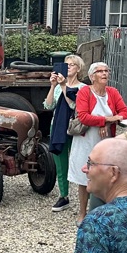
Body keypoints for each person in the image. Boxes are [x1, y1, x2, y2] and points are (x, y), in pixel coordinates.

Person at [66, 62, 127, 224]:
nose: (104, 74)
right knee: (84, 176)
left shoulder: (113, 92)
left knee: (106, 175)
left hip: (106, 140)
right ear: (92, 76)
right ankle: (82, 213)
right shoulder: (84, 92)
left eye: (106, 71)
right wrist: (106, 119)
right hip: (86, 139)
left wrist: (106, 124)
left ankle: (103, 212)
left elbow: (125, 113)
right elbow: (84, 116)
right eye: (100, 71)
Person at [43, 54, 86, 212]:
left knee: (81, 160)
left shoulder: (83, 88)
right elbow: (48, 106)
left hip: (76, 129)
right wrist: (53, 86)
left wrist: (63, 86)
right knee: (61, 163)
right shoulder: (58, 87)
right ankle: (64, 195)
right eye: (66, 64)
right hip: (57, 127)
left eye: (71, 65)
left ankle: (87, 194)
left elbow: (74, 106)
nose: (68, 67)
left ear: (78, 69)